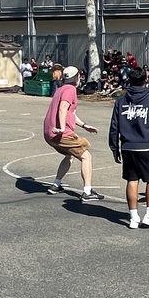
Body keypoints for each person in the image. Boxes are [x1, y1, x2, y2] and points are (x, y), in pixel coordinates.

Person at [109, 66, 149, 229]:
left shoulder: (121, 101)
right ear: (145, 80)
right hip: (147, 145)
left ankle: (134, 217)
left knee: (132, 180)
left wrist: (114, 147)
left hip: (128, 146)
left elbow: (114, 126)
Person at [43, 65, 102, 202]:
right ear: (77, 78)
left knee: (69, 155)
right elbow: (63, 108)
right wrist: (62, 128)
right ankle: (87, 192)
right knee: (86, 156)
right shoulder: (70, 89)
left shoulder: (61, 89)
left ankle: (56, 184)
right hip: (61, 133)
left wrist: (84, 126)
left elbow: (70, 113)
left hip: (49, 133)